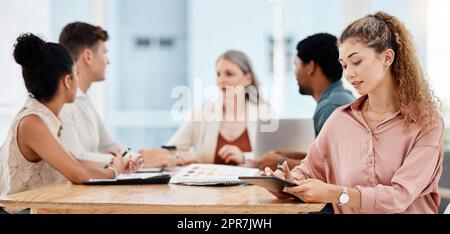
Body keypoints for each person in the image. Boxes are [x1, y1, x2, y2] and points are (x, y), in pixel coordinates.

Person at [262, 12, 444, 214]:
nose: (349, 74)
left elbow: (399, 197)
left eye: (356, 62)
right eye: (344, 65)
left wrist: (337, 194)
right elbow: (307, 171)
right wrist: (288, 183)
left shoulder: (426, 123)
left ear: (387, 57)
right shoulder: (340, 120)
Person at [0, 34, 141, 214]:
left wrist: (116, 166)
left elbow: (76, 161)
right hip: (24, 211)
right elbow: (78, 173)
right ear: (67, 81)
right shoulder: (32, 122)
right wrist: (114, 171)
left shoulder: (44, 118)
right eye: (76, 74)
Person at [58, 22, 169, 168]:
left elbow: (108, 144)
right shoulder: (64, 104)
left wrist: (136, 158)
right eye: (104, 53)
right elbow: (77, 157)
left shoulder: (84, 100)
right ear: (88, 57)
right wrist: (126, 162)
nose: (108, 61)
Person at [258, 33, 354, 171]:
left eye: (296, 65)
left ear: (310, 67)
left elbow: (331, 170)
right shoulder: (341, 97)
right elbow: (325, 158)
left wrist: (281, 163)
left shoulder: (330, 108)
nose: (294, 73)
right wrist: (288, 156)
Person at [163, 50, 271, 166]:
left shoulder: (265, 114)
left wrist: (244, 158)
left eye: (229, 74)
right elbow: (169, 152)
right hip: (207, 183)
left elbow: (275, 158)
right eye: (218, 74)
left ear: (247, 79)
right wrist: (180, 159)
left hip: (252, 185)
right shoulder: (201, 114)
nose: (221, 80)